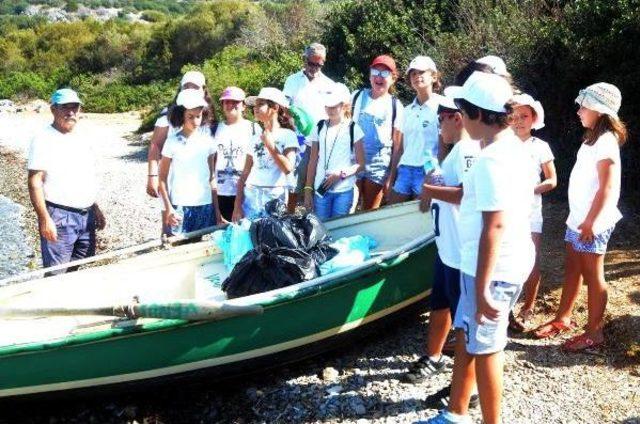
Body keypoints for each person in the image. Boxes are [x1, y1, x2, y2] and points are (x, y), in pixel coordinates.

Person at [424, 72, 534, 424]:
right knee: (469, 336)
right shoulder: (511, 147)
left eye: (463, 110)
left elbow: (494, 226)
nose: (459, 117)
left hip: (493, 269)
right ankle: (455, 413)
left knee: (487, 349)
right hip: (500, 263)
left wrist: (484, 288)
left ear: (479, 115)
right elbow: (470, 198)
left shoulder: (492, 160)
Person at [533, 83, 627, 352]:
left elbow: (606, 187)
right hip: (579, 219)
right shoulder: (592, 138)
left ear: (599, 110)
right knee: (573, 267)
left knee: (593, 274)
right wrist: (580, 219)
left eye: (584, 106)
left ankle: (594, 332)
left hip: (592, 223)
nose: (579, 111)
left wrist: (590, 223)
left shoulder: (607, 141)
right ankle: (563, 318)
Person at [402, 89, 480, 394]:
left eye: (441, 121)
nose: (439, 128)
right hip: (447, 250)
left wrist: (431, 190)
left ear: (457, 119)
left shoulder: (467, 150)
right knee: (440, 305)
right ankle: (434, 358)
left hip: (461, 253)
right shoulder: (453, 151)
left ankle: (466, 388)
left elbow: (465, 194)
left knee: (463, 323)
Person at [27, 88, 106, 275]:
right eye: (65, 107)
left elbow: (83, 176)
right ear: (53, 109)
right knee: (56, 273)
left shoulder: (83, 138)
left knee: (80, 261)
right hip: (60, 216)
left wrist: (95, 207)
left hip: (86, 216)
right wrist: (45, 219)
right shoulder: (42, 139)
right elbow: (34, 181)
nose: (71, 112)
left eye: (75, 107)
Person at [508, 93, 557, 332]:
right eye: (514, 116)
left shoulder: (541, 147)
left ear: (534, 118)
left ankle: (528, 308)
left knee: (531, 260)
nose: (519, 121)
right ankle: (505, 311)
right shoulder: (501, 144)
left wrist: (530, 190)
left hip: (530, 213)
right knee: (502, 258)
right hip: (504, 212)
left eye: (524, 116)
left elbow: (552, 180)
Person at [146, 71, 211, 232]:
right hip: (172, 183)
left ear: (203, 90)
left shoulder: (207, 117)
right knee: (170, 226)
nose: (190, 89)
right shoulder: (166, 118)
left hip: (200, 187)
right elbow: (155, 145)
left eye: (195, 87)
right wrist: (152, 176)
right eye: (186, 86)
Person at [283, 43, 335, 213]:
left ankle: (312, 218)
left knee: (316, 183)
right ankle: (288, 217)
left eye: (319, 65)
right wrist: (294, 129)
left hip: (321, 142)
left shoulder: (330, 84)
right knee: (294, 184)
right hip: (298, 140)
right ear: (304, 60)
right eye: (311, 63)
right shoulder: (292, 80)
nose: (314, 68)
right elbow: (285, 109)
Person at [232, 87, 299, 221]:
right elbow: (245, 173)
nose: (255, 108)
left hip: (275, 196)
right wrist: (237, 206)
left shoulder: (288, 135)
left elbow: (288, 168)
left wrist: (271, 146)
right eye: (255, 105)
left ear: (275, 107)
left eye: (260, 104)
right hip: (252, 195)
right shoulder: (255, 137)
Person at [158, 89, 217, 235]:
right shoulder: (171, 143)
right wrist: (168, 208)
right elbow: (162, 179)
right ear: (181, 115)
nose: (195, 121)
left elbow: (212, 178)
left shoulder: (208, 142)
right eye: (190, 116)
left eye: (198, 116)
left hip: (205, 204)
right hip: (180, 205)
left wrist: (217, 211)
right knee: (180, 249)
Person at [304, 83, 365, 220]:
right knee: (322, 227)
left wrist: (341, 174)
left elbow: (361, 164)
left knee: (339, 229)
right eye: (327, 106)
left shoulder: (353, 128)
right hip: (321, 189)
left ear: (344, 105)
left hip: (343, 190)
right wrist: (308, 189)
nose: (330, 109)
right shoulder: (319, 127)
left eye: (334, 106)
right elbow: (313, 160)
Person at [351, 55, 404, 210]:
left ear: (393, 78)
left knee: (369, 212)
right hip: (353, 161)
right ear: (369, 74)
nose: (379, 77)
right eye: (376, 71)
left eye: (385, 73)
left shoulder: (396, 106)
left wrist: (391, 178)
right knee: (348, 209)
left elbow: (397, 147)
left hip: (379, 165)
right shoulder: (356, 96)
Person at [389, 56, 442, 204]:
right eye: (413, 73)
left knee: (423, 218)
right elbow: (399, 149)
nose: (417, 76)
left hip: (429, 170)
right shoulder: (406, 111)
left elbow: (447, 145)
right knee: (395, 216)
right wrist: (391, 179)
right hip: (405, 170)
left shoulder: (444, 106)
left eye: (421, 72)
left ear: (434, 76)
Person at [212, 86, 260, 222]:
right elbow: (212, 160)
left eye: (235, 102)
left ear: (244, 106)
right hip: (221, 191)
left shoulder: (253, 128)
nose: (231, 105)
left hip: (247, 190)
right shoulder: (215, 128)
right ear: (222, 105)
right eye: (227, 101)